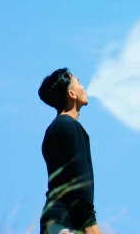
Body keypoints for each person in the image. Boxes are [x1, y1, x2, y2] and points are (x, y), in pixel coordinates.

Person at [38, 68, 103, 234]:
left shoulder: (54, 129)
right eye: (79, 83)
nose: (84, 88)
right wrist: (90, 223)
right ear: (72, 94)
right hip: (68, 223)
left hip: (53, 221)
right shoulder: (71, 127)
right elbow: (79, 179)